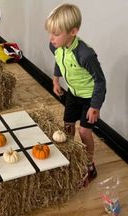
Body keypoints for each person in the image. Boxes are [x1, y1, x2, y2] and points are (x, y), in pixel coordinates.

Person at [45, 3, 106, 185]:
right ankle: (70, 158)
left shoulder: (85, 54)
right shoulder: (55, 46)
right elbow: (58, 61)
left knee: (84, 131)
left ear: (73, 32)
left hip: (89, 97)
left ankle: (89, 166)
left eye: (56, 34)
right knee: (68, 127)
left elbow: (100, 81)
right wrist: (56, 79)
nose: (51, 38)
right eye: (50, 32)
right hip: (72, 94)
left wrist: (95, 107)